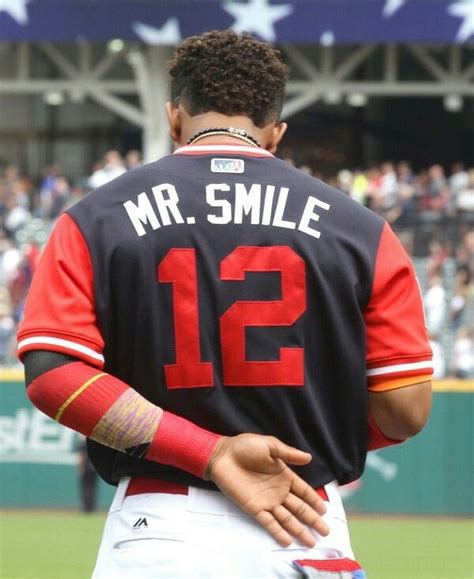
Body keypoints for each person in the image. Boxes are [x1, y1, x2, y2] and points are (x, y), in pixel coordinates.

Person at [17, 31, 432, 579]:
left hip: (158, 526)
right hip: (304, 521)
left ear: (173, 118)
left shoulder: (94, 218)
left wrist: (209, 452)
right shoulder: (362, 230)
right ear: (276, 133)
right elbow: (405, 408)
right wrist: (312, 435)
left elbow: (53, 374)